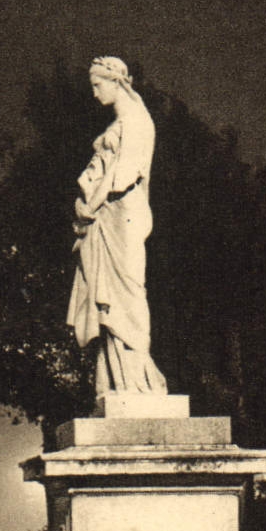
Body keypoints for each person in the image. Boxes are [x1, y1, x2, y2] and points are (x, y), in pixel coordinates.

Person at [67, 56, 170, 396]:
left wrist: (88, 208)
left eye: (98, 85)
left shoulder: (138, 121)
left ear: (115, 82)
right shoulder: (123, 121)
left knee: (127, 291)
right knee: (109, 298)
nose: (95, 94)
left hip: (123, 215)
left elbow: (123, 176)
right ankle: (115, 380)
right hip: (108, 216)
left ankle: (139, 379)